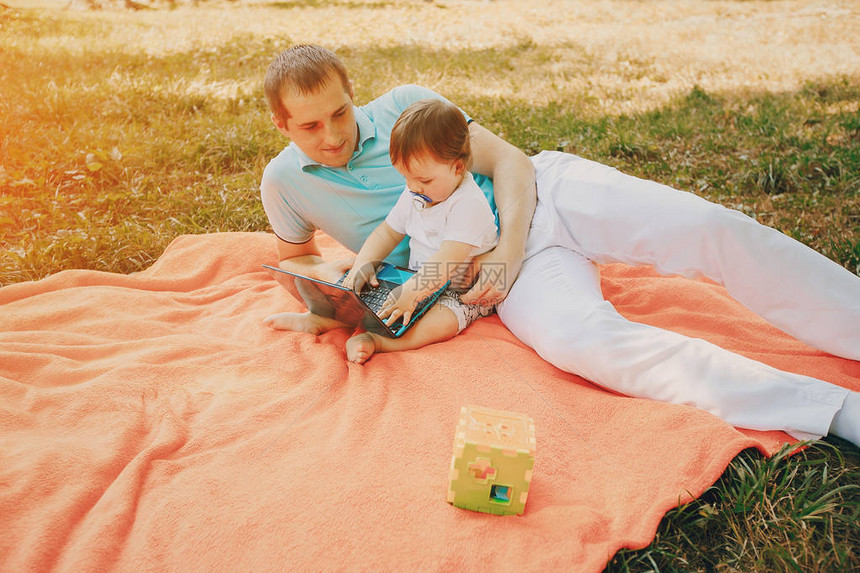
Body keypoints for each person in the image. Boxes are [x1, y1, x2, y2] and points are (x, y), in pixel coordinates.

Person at [260, 44, 860, 447]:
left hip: (545, 198)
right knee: (586, 343)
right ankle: (833, 411)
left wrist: (508, 248)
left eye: (340, 112)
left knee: (711, 228)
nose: (335, 134)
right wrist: (333, 301)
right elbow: (299, 260)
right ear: (281, 124)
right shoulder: (283, 184)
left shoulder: (406, 107)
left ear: (352, 92)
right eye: (311, 126)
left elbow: (512, 163)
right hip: (495, 277)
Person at [340, 99, 498, 364]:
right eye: (406, 178)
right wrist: (363, 262)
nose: (413, 187)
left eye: (424, 180)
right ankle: (321, 317)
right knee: (363, 288)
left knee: (444, 321)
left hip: (460, 290)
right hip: (415, 280)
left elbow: (446, 262)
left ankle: (380, 342)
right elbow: (388, 231)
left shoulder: (467, 204)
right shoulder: (417, 191)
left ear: (457, 167)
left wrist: (413, 292)